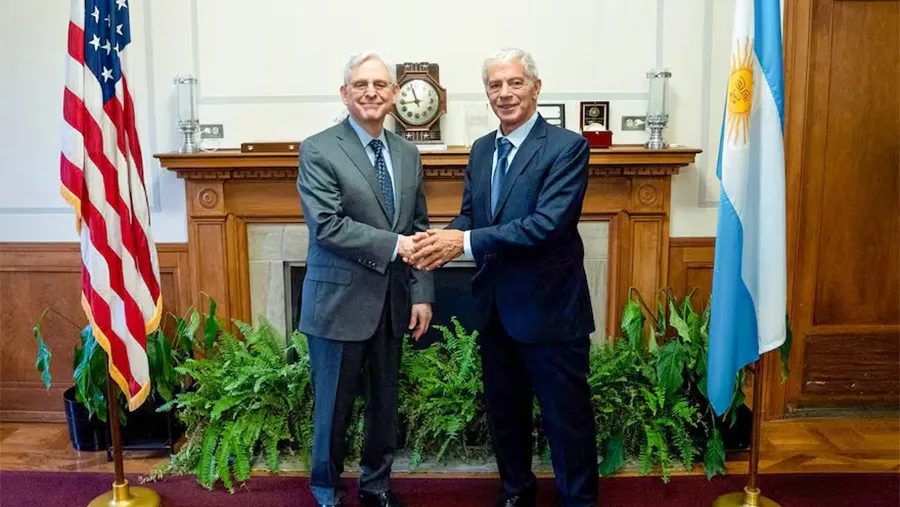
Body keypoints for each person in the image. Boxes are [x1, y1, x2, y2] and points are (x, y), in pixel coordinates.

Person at [405, 48, 598, 507]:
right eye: (496, 85)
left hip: (551, 313)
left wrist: (462, 243)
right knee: (505, 416)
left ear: (536, 87)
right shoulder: (482, 149)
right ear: (487, 93)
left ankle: (580, 501)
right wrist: (435, 241)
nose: (505, 93)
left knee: (566, 421)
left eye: (515, 83)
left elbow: (546, 225)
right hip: (495, 310)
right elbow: (472, 216)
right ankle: (515, 493)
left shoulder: (567, 147)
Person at [296, 51, 434, 507]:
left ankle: (376, 487)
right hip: (338, 305)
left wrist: (422, 293)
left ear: (394, 94)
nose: (371, 92)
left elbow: (418, 226)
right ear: (345, 93)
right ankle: (327, 491)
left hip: (394, 304)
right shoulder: (319, 148)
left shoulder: (408, 154)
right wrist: (394, 246)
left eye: (379, 85)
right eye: (361, 85)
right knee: (332, 411)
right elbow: (327, 226)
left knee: (383, 410)